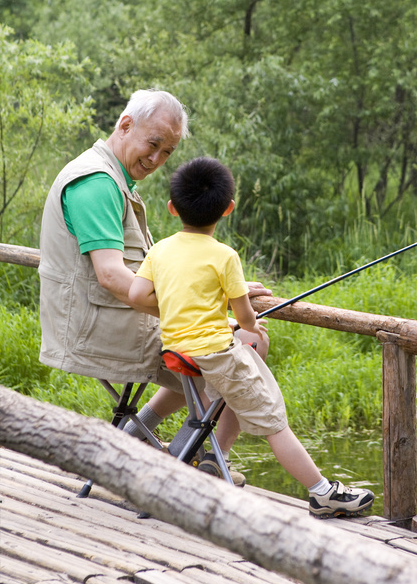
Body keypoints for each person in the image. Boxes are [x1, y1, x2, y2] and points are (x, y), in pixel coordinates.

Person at [38, 89, 269, 482]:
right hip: (98, 329)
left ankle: (138, 436)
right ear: (125, 125)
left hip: (109, 318)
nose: (157, 159)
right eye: (154, 144)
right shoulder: (95, 183)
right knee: (250, 342)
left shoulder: (113, 176)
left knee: (206, 351)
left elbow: (153, 270)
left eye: (168, 152)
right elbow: (112, 276)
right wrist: (205, 307)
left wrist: (218, 287)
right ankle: (207, 460)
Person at [127, 155, 375, 518]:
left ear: (170, 207)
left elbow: (136, 296)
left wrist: (190, 312)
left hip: (177, 352)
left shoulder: (160, 249)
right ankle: (322, 493)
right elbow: (244, 316)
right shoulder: (225, 256)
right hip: (216, 356)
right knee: (274, 420)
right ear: (228, 209)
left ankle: (210, 458)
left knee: (221, 406)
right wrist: (251, 324)